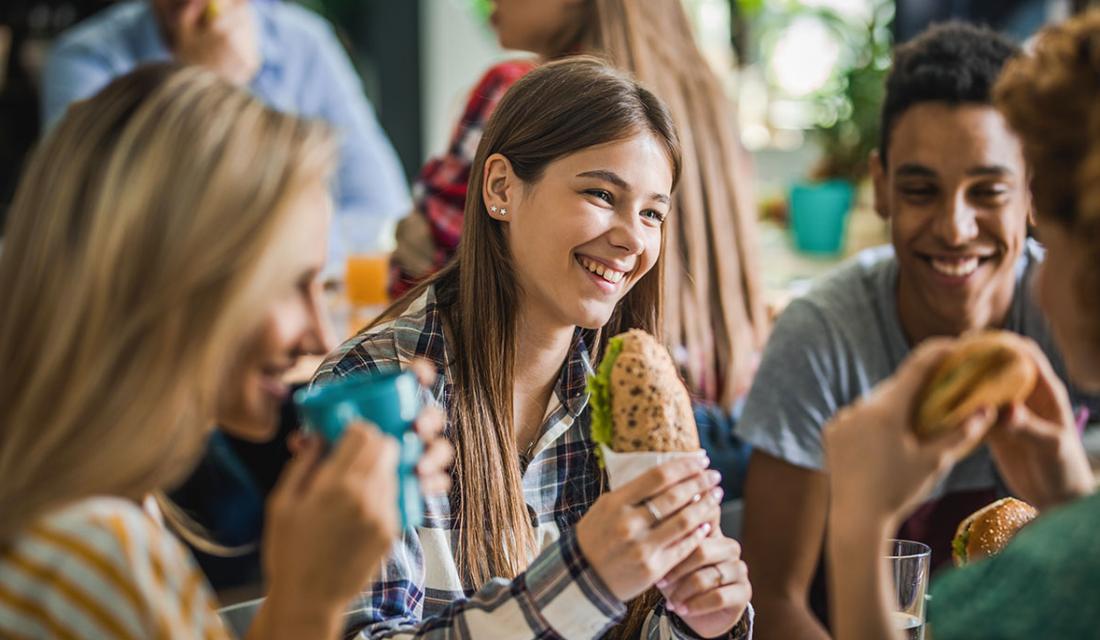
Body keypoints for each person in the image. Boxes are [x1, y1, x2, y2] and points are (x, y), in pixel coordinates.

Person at [0, 63, 450, 639]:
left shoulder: (111, 516)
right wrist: (309, 601)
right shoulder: (94, 559)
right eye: (292, 282)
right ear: (172, 275)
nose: (318, 335)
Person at [316, 57, 753, 639]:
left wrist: (704, 623)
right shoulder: (371, 390)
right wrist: (582, 583)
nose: (632, 237)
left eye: (652, 212)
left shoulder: (627, 394)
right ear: (500, 188)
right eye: (601, 193)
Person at [735, 21, 1099, 639]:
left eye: (987, 190)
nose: (955, 228)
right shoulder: (822, 333)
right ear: (880, 186)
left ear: (1034, 193)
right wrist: (1072, 500)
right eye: (921, 190)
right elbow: (772, 596)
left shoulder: (1068, 312)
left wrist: (861, 521)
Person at [390, 0, 766, 500]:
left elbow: (445, 268)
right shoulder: (709, 96)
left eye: (654, 213)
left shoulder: (521, 91)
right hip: (725, 424)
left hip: (599, 418)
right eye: (602, 195)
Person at [41, 0, 411, 273]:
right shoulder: (86, 60)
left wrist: (276, 263)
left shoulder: (305, 44)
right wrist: (201, 87)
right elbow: (91, 230)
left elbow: (381, 212)